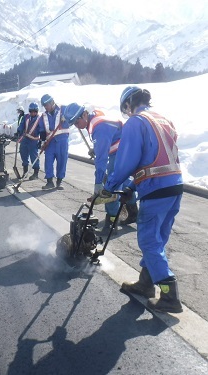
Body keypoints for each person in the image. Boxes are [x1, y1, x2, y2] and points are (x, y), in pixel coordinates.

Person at [99, 86, 183, 313]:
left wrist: (109, 187)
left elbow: (127, 161)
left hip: (156, 189)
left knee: (148, 240)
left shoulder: (136, 122)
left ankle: (169, 295)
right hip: (174, 187)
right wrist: (131, 187)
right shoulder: (164, 120)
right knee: (158, 238)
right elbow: (156, 160)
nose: (126, 113)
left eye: (125, 109)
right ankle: (146, 283)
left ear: (128, 104)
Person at [64, 103, 138, 231]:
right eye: (74, 124)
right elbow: (107, 138)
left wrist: (98, 183)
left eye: (77, 121)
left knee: (110, 185)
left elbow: (101, 160)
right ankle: (133, 212)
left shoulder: (98, 127)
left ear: (84, 114)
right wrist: (97, 148)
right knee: (124, 182)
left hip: (122, 151)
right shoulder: (94, 118)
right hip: (124, 148)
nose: (77, 126)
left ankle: (111, 223)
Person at [39, 94, 69, 190]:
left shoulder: (63, 109)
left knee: (62, 161)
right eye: (44, 106)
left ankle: (59, 182)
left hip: (62, 141)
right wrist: (42, 140)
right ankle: (49, 182)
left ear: (52, 102)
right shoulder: (43, 116)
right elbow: (42, 129)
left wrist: (67, 118)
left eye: (47, 105)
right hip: (50, 142)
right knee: (48, 161)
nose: (46, 108)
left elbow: (73, 115)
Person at [16, 102, 44, 180]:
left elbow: (42, 129)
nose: (33, 113)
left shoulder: (40, 119)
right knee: (23, 153)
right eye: (31, 111)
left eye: (35, 111)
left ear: (37, 111)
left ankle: (35, 173)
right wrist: (19, 131)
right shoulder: (26, 117)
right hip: (25, 138)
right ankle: (25, 172)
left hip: (33, 140)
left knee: (34, 156)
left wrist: (41, 140)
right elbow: (22, 125)